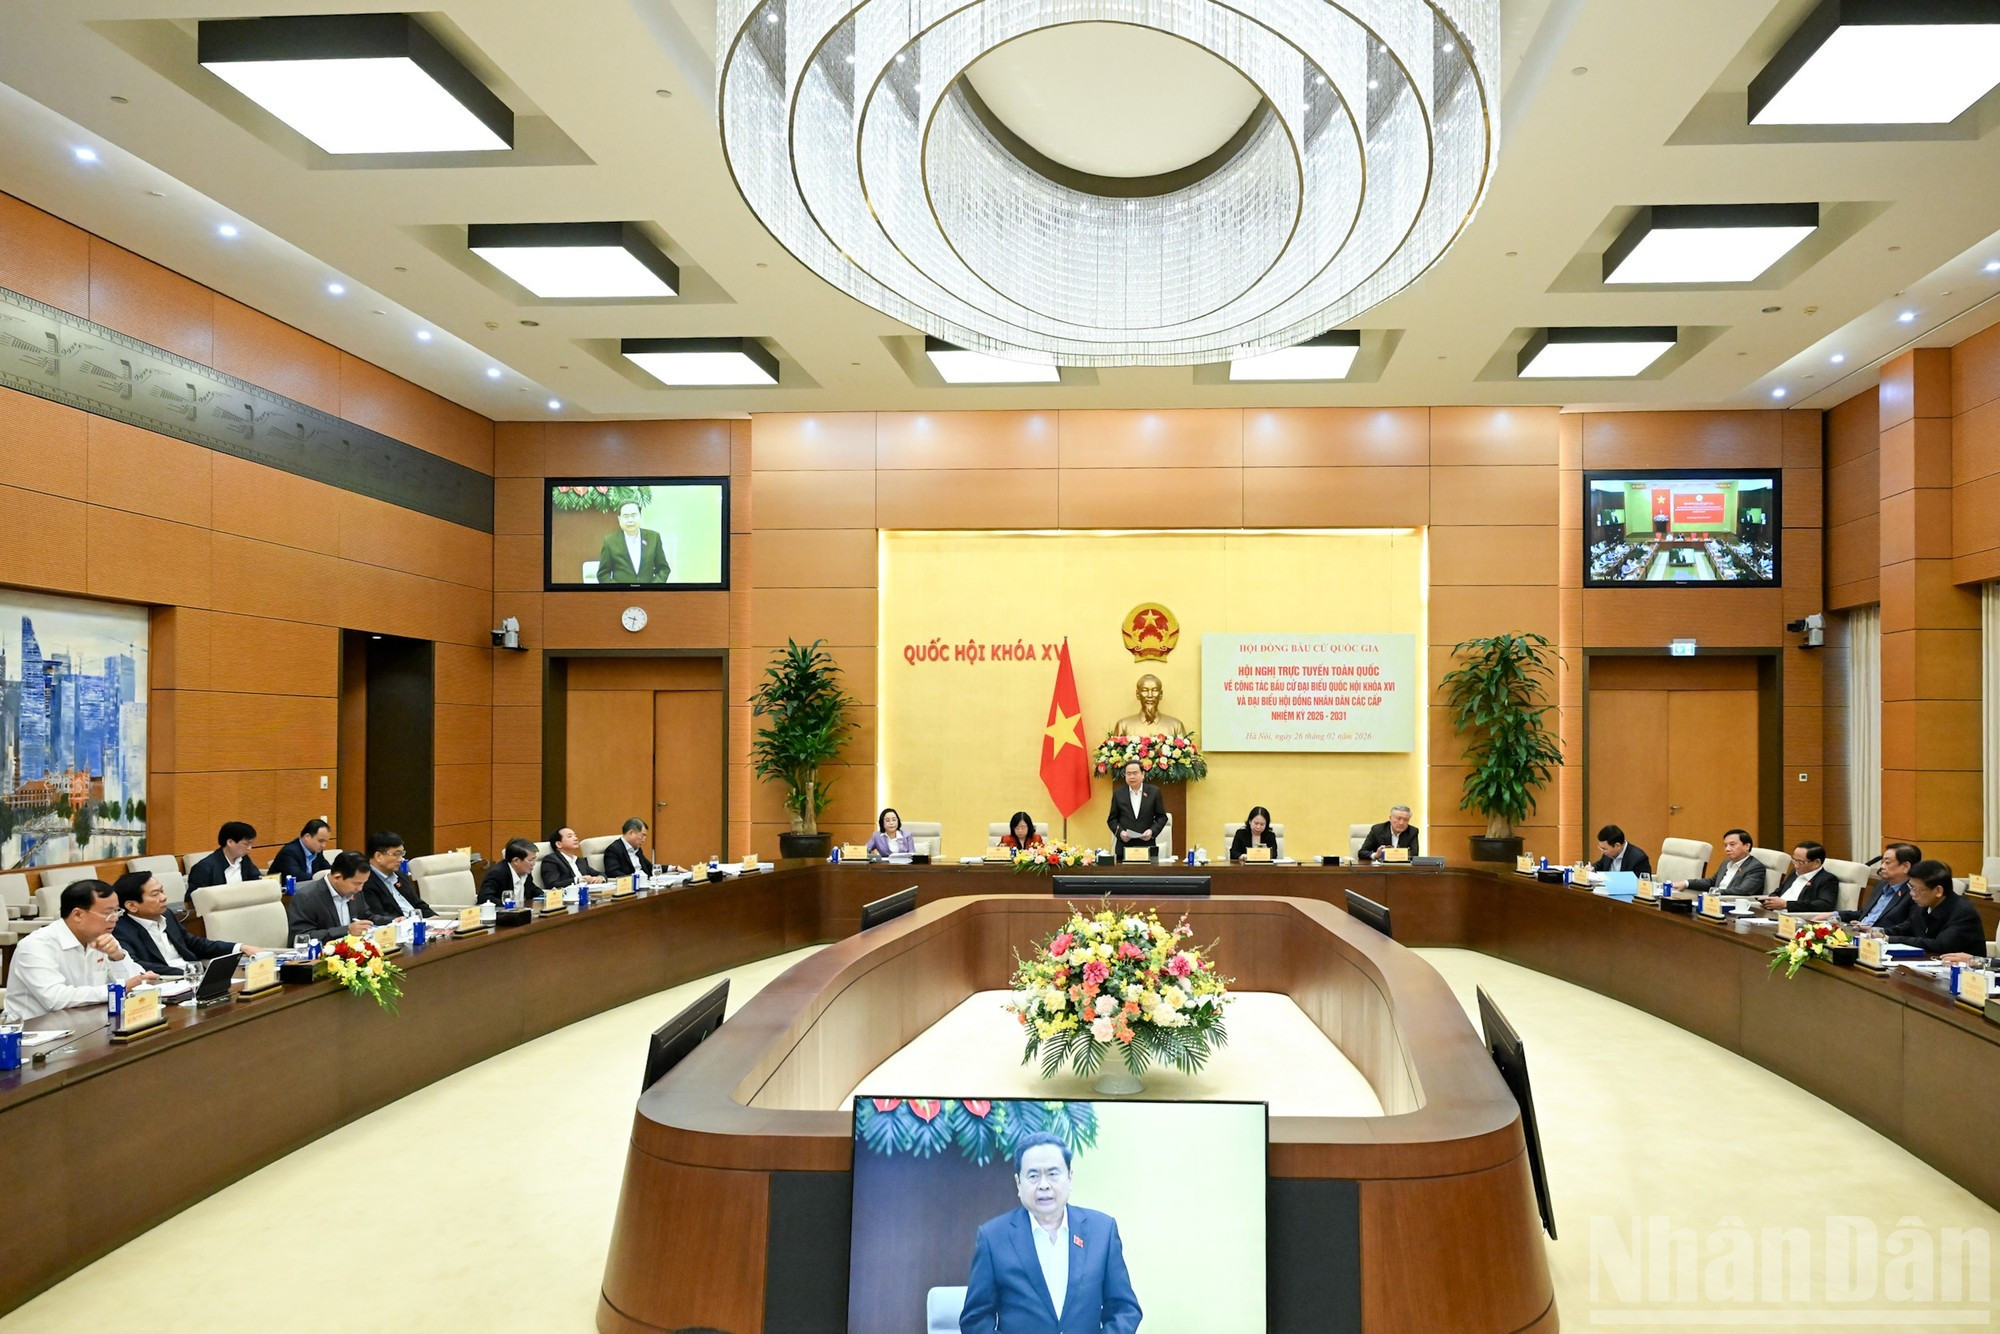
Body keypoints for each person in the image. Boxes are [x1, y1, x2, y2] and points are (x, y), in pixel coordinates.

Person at [959, 1132, 1141, 1334]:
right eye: (1033, 1175)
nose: (1044, 1185)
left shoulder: (1102, 1231)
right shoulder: (993, 1237)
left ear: (1070, 1177)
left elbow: (1125, 1309)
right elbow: (975, 1319)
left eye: (1053, 1174)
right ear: (1019, 1183)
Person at [5, 881, 156, 1019]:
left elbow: (137, 984)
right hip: (35, 1035)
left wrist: (118, 957)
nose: (115, 918)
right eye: (107, 913)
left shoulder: (103, 938)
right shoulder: (36, 946)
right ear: (77, 914)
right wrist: (117, 989)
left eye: (117, 911)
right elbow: (56, 999)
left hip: (88, 1023)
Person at [110, 871, 260, 974]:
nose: (164, 897)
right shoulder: (120, 930)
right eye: (155, 894)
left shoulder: (167, 915)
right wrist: (187, 973)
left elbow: (195, 944)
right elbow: (136, 965)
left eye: (162, 891)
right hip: (166, 983)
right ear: (132, 906)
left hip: (193, 977)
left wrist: (240, 947)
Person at [1886, 860, 1986, 958]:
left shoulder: (1964, 912)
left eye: (1916, 889)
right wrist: (1880, 933)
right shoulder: (1924, 905)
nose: (1912, 894)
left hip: (1964, 971)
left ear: (1938, 891)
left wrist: (1890, 939)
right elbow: (1906, 928)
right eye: (1911, 887)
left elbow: (1940, 945)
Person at [286, 852, 377, 943]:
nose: (360, 889)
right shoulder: (306, 897)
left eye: (363, 883)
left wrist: (390, 921)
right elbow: (301, 937)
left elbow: (366, 916)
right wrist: (347, 931)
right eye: (357, 883)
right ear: (337, 878)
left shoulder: (355, 891)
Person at [357, 831, 434, 921]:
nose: (401, 859)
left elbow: (418, 904)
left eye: (402, 854)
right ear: (378, 856)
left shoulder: (400, 876)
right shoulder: (365, 882)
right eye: (397, 854)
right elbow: (378, 916)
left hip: (419, 924)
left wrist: (434, 917)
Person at [1844, 843, 1921, 931]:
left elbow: (1909, 928)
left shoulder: (1914, 893)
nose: (1882, 866)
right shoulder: (1882, 885)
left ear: (1906, 867)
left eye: (1887, 862)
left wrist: (1873, 930)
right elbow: (1864, 913)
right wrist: (1834, 914)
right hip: (1858, 933)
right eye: (1883, 862)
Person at [595, 500, 672, 584]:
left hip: (649, 594)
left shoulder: (654, 537)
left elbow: (663, 569)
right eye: (626, 516)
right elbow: (603, 574)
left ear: (640, 516)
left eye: (634, 515)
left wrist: (653, 588)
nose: (630, 520)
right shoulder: (610, 541)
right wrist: (617, 591)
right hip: (621, 595)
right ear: (619, 519)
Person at [1104, 761, 1166, 859]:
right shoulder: (1118, 793)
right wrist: (1120, 832)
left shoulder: (1154, 792)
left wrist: (1152, 831)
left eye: (1135, 773)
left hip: (1147, 846)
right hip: (1124, 847)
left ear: (1142, 774)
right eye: (1128, 774)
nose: (1132, 777)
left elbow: (1162, 817)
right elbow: (1112, 819)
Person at [1679, 829, 1768, 896]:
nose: (1727, 849)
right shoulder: (1726, 863)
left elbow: (1743, 891)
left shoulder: (1755, 867)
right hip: (1715, 901)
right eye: (1725, 845)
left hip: (1732, 905)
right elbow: (1712, 882)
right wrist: (1686, 883)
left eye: (1732, 845)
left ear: (1747, 846)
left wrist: (1714, 893)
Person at [1759, 841, 1839, 913]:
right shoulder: (1794, 872)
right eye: (1794, 860)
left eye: (1800, 862)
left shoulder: (1827, 879)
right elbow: (1778, 892)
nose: (1796, 865)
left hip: (1796, 917)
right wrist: (1772, 900)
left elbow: (1824, 904)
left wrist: (1787, 904)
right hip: (1775, 913)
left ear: (1816, 863)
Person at [186, 821, 262, 890]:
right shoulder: (204, 868)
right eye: (246, 844)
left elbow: (257, 880)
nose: (249, 848)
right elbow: (192, 900)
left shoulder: (244, 860)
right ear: (230, 842)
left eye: (251, 844)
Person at [1110, 673, 1185, 738]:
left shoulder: (1176, 726)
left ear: (1161, 694)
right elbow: (1116, 753)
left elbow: (1186, 753)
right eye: (1145, 690)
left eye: (1155, 690)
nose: (1150, 695)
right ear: (1138, 694)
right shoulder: (1123, 725)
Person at [268, 818, 334, 883]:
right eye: (321, 841)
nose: (323, 845)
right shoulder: (289, 852)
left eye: (326, 841)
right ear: (307, 837)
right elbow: (297, 877)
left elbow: (327, 869)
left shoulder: (317, 851)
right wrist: (320, 877)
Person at [479, 839, 537, 906]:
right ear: (516, 861)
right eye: (530, 860)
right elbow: (484, 898)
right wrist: (508, 905)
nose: (534, 863)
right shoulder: (498, 874)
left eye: (534, 859)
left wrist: (547, 896)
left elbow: (533, 890)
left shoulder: (525, 872)